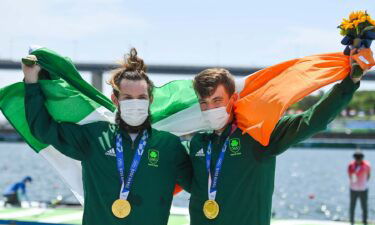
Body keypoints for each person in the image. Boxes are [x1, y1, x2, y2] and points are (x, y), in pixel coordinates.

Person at [188, 50, 369, 225]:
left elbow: (311, 120)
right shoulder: (198, 143)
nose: (211, 109)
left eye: (217, 100)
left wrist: (350, 82)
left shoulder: (257, 134)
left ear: (233, 99)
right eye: (204, 103)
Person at [22, 48, 192, 225]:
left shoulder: (168, 145)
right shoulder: (95, 136)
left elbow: (202, 185)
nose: (135, 103)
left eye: (141, 97)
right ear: (115, 100)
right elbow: (43, 129)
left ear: (150, 100)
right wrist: (31, 81)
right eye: (128, 97)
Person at [348, 150, 371, 225]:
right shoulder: (351, 165)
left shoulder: (367, 165)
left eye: (359, 158)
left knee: (364, 206)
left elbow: (368, 176)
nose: (358, 159)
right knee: (352, 206)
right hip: (353, 189)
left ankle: (364, 222)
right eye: (357, 158)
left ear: (362, 158)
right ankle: (352, 222)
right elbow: (350, 176)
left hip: (363, 189)